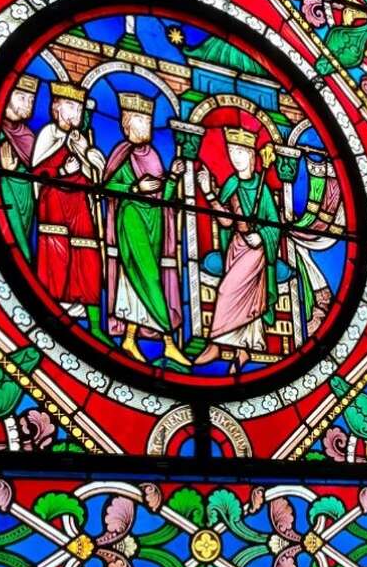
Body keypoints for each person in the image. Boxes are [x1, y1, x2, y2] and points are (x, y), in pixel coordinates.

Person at [103, 92, 189, 366]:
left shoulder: (152, 155)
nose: (147, 125)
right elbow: (107, 187)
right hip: (131, 222)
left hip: (155, 225)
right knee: (148, 279)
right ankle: (168, 341)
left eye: (149, 120)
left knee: (142, 282)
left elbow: (165, 196)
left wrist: (173, 176)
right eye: (140, 120)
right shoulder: (122, 154)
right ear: (126, 124)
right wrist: (134, 188)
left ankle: (130, 338)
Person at [196, 126, 280, 373]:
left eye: (241, 152)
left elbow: (275, 225)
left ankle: (215, 344)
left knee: (226, 291)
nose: (236, 157)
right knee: (239, 295)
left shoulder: (262, 189)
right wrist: (209, 193)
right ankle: (243, 350)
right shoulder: (231, 183)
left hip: (256, 251)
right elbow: (225, 222)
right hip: (236, 246)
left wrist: (262, 236)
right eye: (232, 151)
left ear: (252, 155)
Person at [31, 82, 108, 343]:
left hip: (78, 207)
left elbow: (92, 179)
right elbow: (38, 174)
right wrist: (62, 172)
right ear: (55, 108)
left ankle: (91, 319)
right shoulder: (47, 135)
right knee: (58, 255)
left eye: (79, 108)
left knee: (86, 256)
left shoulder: (81, 139)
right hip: (53, 206)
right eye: (71, 107)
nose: (76, 113)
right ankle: (55, 310)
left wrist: (91, 162)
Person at [0, 74, 39, 261]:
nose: (28, 103)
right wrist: (4, 171)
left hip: (27, 197)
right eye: (22, 97)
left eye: (31, 98)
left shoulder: (30, 137)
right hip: (5, 195)